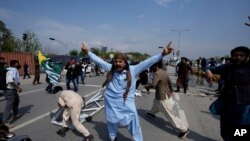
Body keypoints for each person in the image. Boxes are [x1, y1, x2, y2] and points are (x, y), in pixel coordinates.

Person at [81, 41, 173, 141]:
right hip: (112, 103)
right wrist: (88, 52)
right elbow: (99, 61)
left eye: (120, 61)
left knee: (133, 121)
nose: (117, 63)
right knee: (112, 122)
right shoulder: (111, 69)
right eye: (116, 61)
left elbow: (147, 62)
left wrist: (162, 54)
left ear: (125, 62)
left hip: (126, 102)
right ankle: (113, 138)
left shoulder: (133, 70)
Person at [206, 46, 250, 141]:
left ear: (246, 57)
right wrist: (208, 71)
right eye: (236, 55)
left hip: (244, 104)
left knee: (240, 129)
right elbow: (207, 67)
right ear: (232, 56)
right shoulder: (227, 67)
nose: (238, 57)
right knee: (225, 131)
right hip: (227, 102)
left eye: (242, 55)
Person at [145, 60, 189, 139]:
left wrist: (147, 86)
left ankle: (183, 129)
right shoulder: (164, 72)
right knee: (156, 104)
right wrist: (171, 91)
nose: (151, 67)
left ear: (155, 66)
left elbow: (154, 84)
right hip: (164, 94)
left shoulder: (157, 73)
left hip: (162, 96)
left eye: (152, 66)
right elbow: (170, 81)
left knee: (169, 115)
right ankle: (152, 113)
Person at [2, 60, 22, 128]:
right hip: (9, 90)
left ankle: (15, 115)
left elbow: (14, 79)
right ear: (14, 64)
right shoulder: (10, 70)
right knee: (9, 106)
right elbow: (10, 81)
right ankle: (4, 122)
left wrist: (17, 84)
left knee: (16, 101)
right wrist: (18, 87)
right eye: (17, 63)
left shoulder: (12, 69)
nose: (18, 64)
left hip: (13, 89)